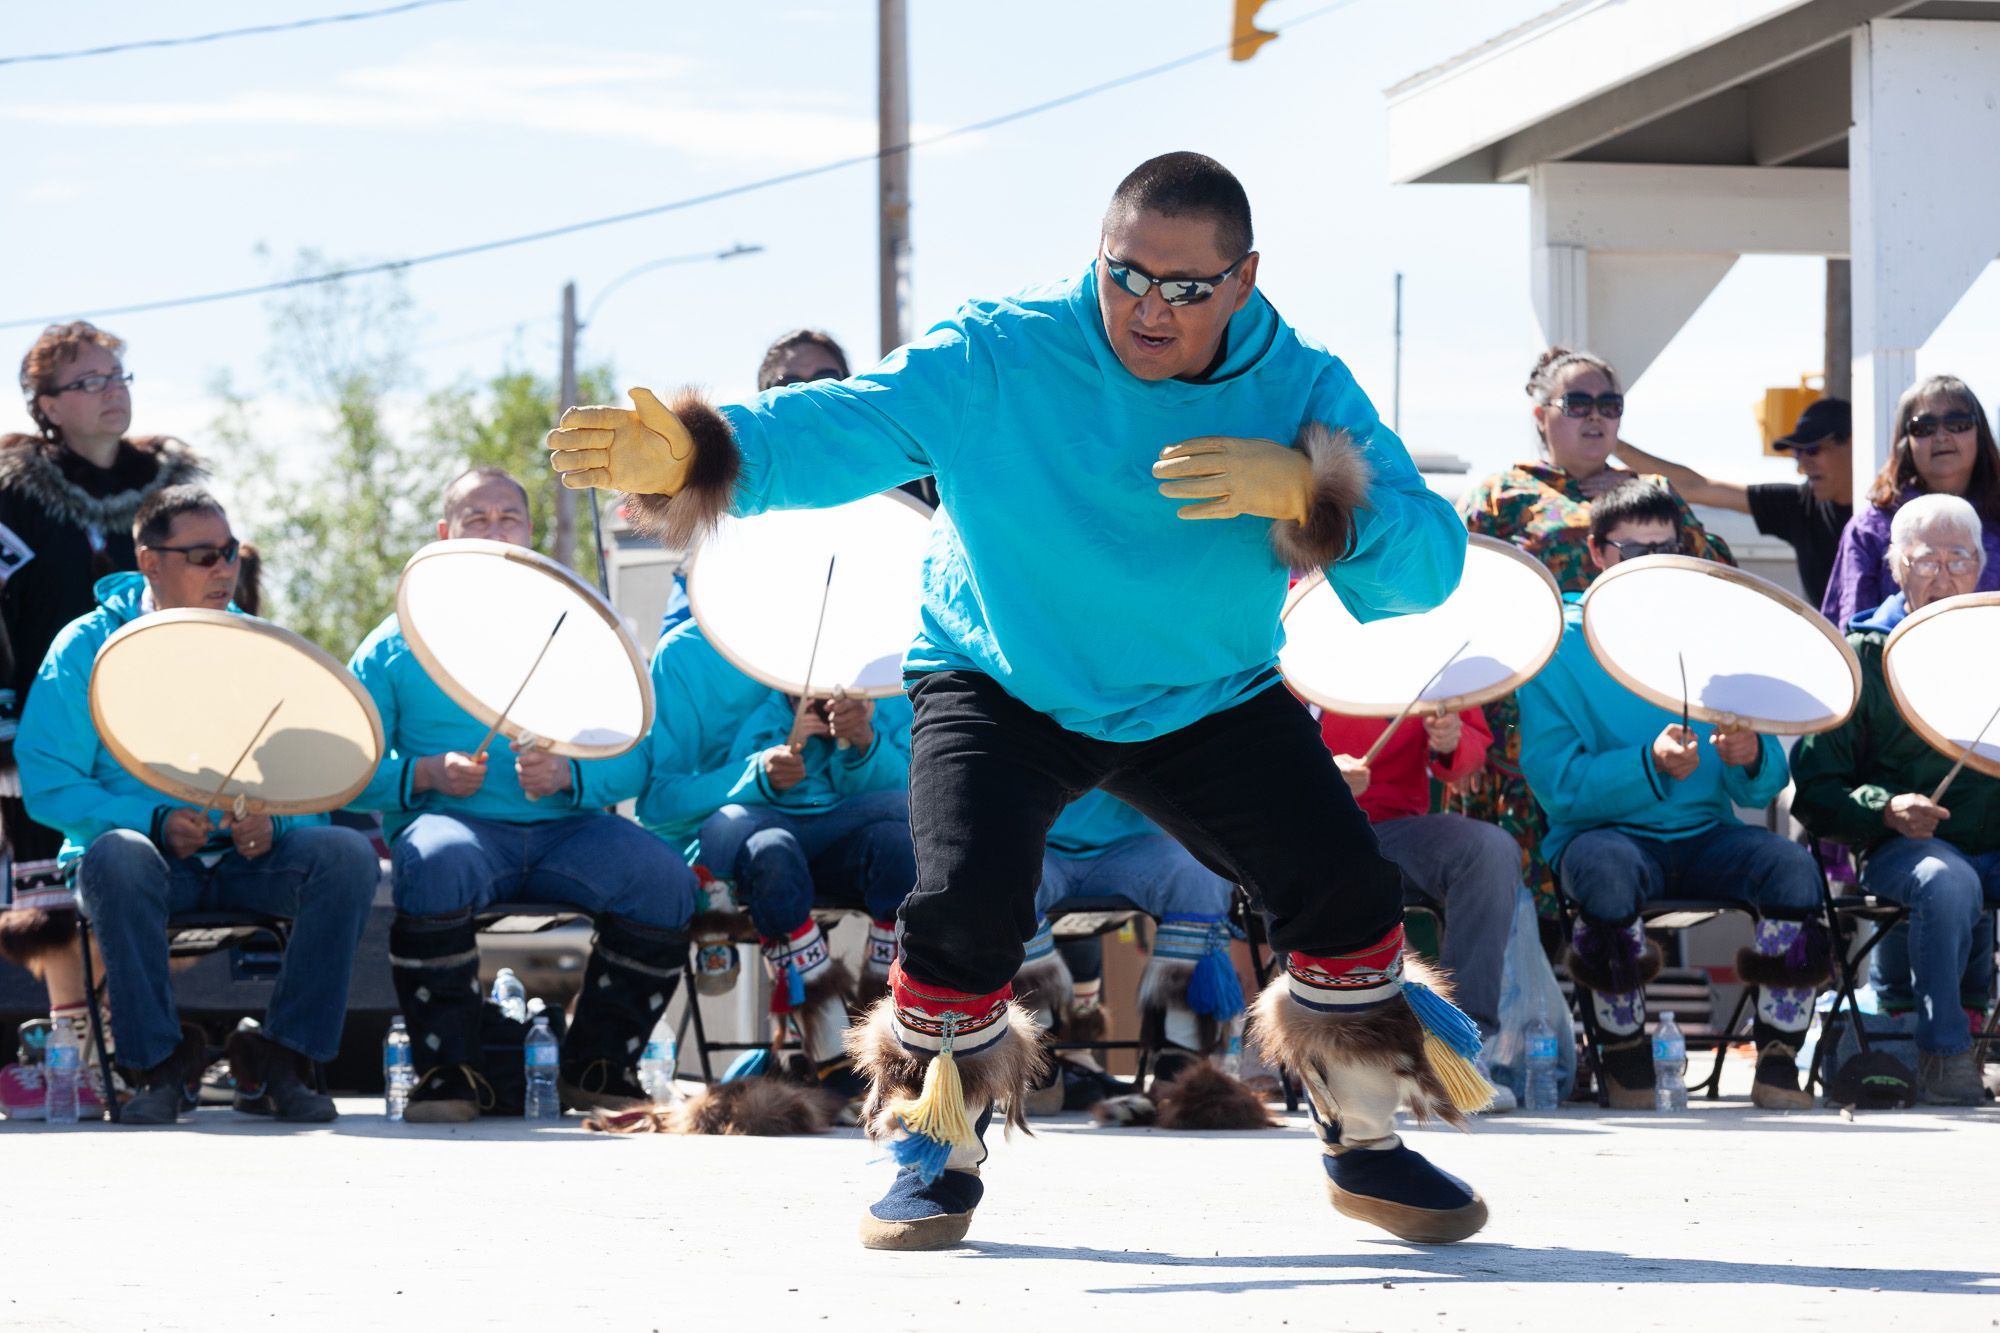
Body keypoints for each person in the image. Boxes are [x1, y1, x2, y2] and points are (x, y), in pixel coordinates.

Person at [552, 151, 1489, 1252]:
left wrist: (1312, 490)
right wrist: (706, 449)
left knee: (1340, 884)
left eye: (1185, 286)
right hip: (1001, 673)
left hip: (1200, 687)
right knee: (957, 905)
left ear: (1242, 279)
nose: (1148, 306)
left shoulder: (1302, 386)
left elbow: (1424, 571)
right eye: (1124, 273)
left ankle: (1363, 1135)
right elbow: (848, 423)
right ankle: (932, 1147)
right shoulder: (1002, 349)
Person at [15, 486, 377, 1124]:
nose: (224, 569)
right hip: (136, 866)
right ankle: (158, 1065)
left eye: (231, 552)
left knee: (343, 852)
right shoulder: (84, 649)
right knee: (122, 857)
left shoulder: (259, 649)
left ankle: (280, 1059)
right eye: (204, 555)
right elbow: (48, 784)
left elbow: (307, 783)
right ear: (150, 562)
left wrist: (276, 823)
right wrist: (153, 822)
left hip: (245, 863)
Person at [348, 466, 696, 1121]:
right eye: (475, 519)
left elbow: (638, 761)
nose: (493, 529)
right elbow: (343, 766)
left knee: (661, 876)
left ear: (529, 533)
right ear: (444, 534)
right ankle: (447, 1072)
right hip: (459, 829)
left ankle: (599, 1065)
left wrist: (573, 777)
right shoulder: (395, 643)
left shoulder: (579, 632)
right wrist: (422, 775)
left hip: (572, 830)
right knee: (435, 857)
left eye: (508, 517)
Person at [1517, 479, 1829, 1110]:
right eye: (1634, 552)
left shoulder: (1712, 631)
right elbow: (1558, 788)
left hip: (1705, 836)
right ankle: (1625, 1059)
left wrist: (1752, 756)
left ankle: (1777, 1062)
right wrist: (1647, 764)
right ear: (1599, 553)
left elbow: (1765, 782)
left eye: (1666, 549)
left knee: (1792, 865)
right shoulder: (1558, 645)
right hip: (1604, 840)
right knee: (1603, 868)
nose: (1651, 564)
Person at [0, 322, 203, 1116]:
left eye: (117, 375)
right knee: (52, 889)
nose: (111, 390)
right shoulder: (14, 498)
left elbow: (222, 576)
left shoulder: (169, 489)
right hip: (42, 717)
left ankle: (132, 1044)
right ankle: (70, 1055)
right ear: (47, 405)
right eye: (87, 381)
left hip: (164, 719)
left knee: (157, 863)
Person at [1456, 347, 1733, 920]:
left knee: (1619, 885)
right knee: (1520, 902)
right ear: (1541, 416)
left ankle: (1613, 1000)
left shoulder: (1651, 492)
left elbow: (1713, 577)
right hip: (1524, 717)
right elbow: (1460, 596)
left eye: (1609, 404)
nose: (1595, 417)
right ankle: (1530, 1011)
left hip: (1631, 716)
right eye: (1577, 403)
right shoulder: (1501, 495)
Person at [643, 617, 916, 1089]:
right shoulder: (686, 653)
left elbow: (915, 792)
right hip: (753, 842)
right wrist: (757, 773)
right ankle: (827, 1033)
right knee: (770, 851)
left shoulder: (883, 650)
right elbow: (658, 804)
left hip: (847, 832)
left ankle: (891, 1026)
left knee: (903, 841)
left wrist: (864, 744)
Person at [1792, 493, 2000, 1105]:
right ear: (1894, 565)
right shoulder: (1863, 656)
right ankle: (1945, 1055)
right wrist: (1885, 806)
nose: (1944, 574)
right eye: (1926, 559)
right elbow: (1816, 788)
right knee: (1945, 879)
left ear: (1982, 562)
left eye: (1959, 557)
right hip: (1905, 852)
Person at [1318, 703, 1517, 1107]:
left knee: (1489, 850)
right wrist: (1318, 777)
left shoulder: (1419, 646)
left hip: (1393, 830)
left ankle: (1461, 1045)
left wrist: (1454, 741)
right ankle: (1316, 1054)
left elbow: (1468, 750)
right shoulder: (1277, 647)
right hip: (1302, 830)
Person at [1009, 788, 1244, 1104]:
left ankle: (1181, 1059)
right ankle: (1034, 1058)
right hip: (1028, 842)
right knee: (1003, 873)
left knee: (1199, 874)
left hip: (1132, 846)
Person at [1608, 398, 1854, 608]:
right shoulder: (1800, 506)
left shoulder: (1886, 514)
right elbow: (1698, 487)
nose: (1802, 465)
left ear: (1857, 443)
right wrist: (1613, 445)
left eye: (1812, 450)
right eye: (1797, 454)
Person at [1821, 376, 2000, 630]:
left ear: (1980, 434)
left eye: (1957, 423)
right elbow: (1852, 636)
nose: (1941, 436)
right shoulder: (1867, 531)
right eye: (1924, 427)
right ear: (1905, 441)